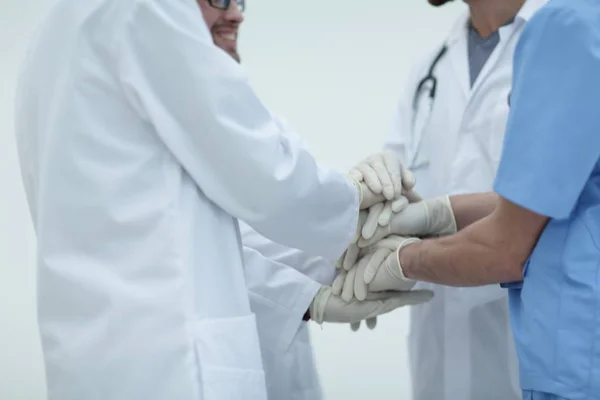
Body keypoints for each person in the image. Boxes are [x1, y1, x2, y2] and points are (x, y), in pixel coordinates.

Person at [12, 0, 425, 399]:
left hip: (97, 364)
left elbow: (191, 238)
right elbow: (263, 174)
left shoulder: (51, 42)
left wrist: (308, 294)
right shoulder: (144, 9)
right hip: (170, 365)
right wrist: (356, 201)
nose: (235, 13)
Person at [339, 0, 600, 398]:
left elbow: (511, 240)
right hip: (442, 337)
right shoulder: (430, 68)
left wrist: (399, 261)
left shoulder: (565, 32)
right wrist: (418, 214)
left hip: (544, 338)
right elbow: (547, 201)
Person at [198, 3, 433, 399]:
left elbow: (295, 229)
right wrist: (356, 207)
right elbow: (202, 250)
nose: (237, 15)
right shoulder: (157, 133)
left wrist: (358, 238)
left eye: (239, 0)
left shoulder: (264, 124)